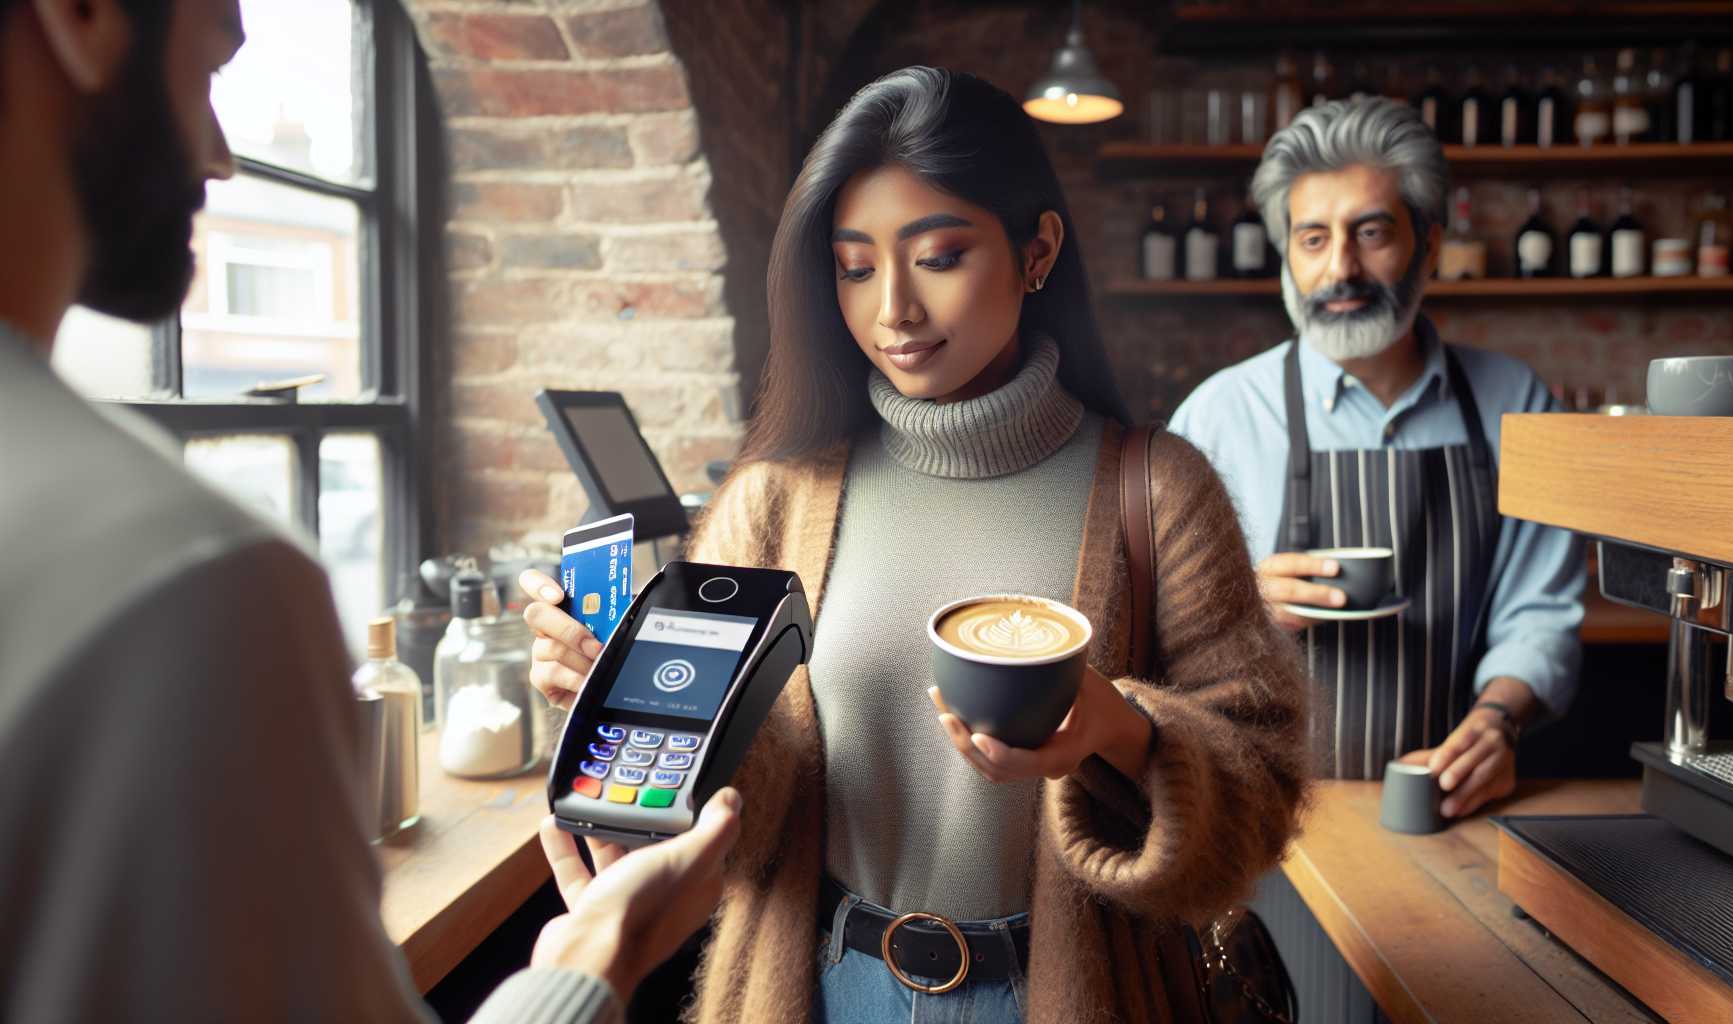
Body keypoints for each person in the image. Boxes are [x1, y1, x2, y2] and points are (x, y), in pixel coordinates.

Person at [519, 66, 1311, 1024]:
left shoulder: (1161, 489)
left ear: (1037, 251)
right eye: (855, 266)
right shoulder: (774, 498)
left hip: (1070, 990)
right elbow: (748, 829)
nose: (891, 307)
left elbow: (1263, 798)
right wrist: (640, 700)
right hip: (817, 987)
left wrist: (1121, 729)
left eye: (937, 255)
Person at [0, 1, 736, 1020]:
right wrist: (595, 953)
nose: (218, 154)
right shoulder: (193, 574)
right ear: (81, 18)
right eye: (212, 69)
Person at [1168, 97, 1586, 1022]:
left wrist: (1499, 725)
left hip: (1449, 821)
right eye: (1311, 239)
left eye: (1371, 234)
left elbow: (1539, 611)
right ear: (1285, 258)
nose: (1341, 268)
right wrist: (1232, 609)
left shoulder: (1516, 403)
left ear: (1430, 244)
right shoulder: (1217, 420)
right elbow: (1146, 644)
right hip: (1260, 832)